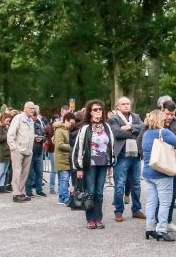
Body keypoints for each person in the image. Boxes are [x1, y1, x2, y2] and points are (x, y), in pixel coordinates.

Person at [139, 100, 176, 231]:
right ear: (161, 111)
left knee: (158, 198)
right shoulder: (157, 129)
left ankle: (153, 226)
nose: (169, 117)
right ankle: (162, 226)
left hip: (167, 164)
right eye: (167, 114)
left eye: (172, 114)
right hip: (161, 166)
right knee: (164, 200)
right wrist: (149, 157)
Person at [72, 100, 115, 229]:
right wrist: (79, 167)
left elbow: (111, 146)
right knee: (90, 192)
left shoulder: (107, 127)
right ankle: (90, 219)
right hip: (89, 164)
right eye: (95, 109)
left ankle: (98, 218)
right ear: (90, 112)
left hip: (103, 163)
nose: (98, 111)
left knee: (99, 193)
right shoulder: (85, 128)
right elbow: (79, 148)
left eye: (100, 109)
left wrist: (111, 164)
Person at [108, 96, 145, 222]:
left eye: (128, 104)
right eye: (123, 104)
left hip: (135, 156)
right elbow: (117, 133)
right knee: (119, 185)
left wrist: (129, 127)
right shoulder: (113, 119)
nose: (126, 106)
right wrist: (135, 131)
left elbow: (143, 128)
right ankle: (118, 211)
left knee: (136, 185)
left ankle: (136, 210)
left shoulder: (136, 117)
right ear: (118, 107)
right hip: (121, 156)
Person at [7, 102, 36, 203]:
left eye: (33, 108)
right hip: (18, 149)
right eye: (30, 108)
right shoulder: (18, 118)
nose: (32, 110)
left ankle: (22, 192)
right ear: (25, 108)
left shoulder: (31, 121)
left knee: (24, 173)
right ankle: (16, 193)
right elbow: (11, 134)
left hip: (28, 150)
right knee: (17, 172)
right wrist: (13, 147)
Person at [53, 112, 75, 205]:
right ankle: (66, 198)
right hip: (62, 158)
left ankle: (62, 198)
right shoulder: (60, 130)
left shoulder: (66, 130)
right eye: (71, 122)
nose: (72, 124)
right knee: (64, 179)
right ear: (66, 120)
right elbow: (59, 145)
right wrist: (72, 147)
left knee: (63, 179)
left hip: (66, 158)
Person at [26, 106, 47, 197]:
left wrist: (41, 139)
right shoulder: (26, 127)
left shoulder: (39, 126)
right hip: (30, 152)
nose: (34, 121)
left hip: (38, 152)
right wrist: (32, 137)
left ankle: (39, 190)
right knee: (30, 173)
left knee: (39, 173)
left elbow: (45, 136)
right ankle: (28, 190)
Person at [0, 113, 12, 194]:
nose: (8, 122)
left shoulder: (6, 128)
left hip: (7, 151)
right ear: (3, 119)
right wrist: (8, 134)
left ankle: (2, 186)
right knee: (0, 171)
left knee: (5, 171)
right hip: (0, 151)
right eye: (7, 120)